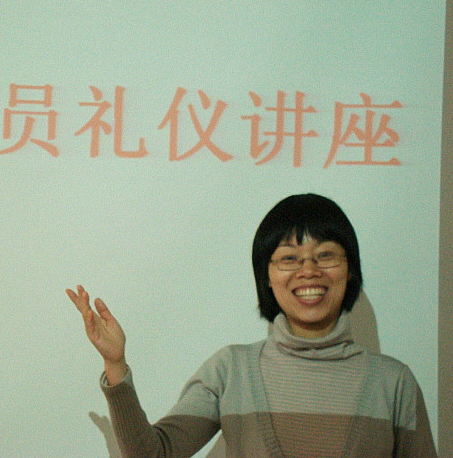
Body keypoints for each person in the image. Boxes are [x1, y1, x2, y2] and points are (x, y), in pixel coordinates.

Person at [67, 193, 438, 458]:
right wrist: (115, 365)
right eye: (289, 259)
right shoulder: (232, 370)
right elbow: (154, 454)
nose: (309, 271)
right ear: (267, 277)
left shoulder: (393, 382)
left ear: (350, 269)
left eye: (325, 255)